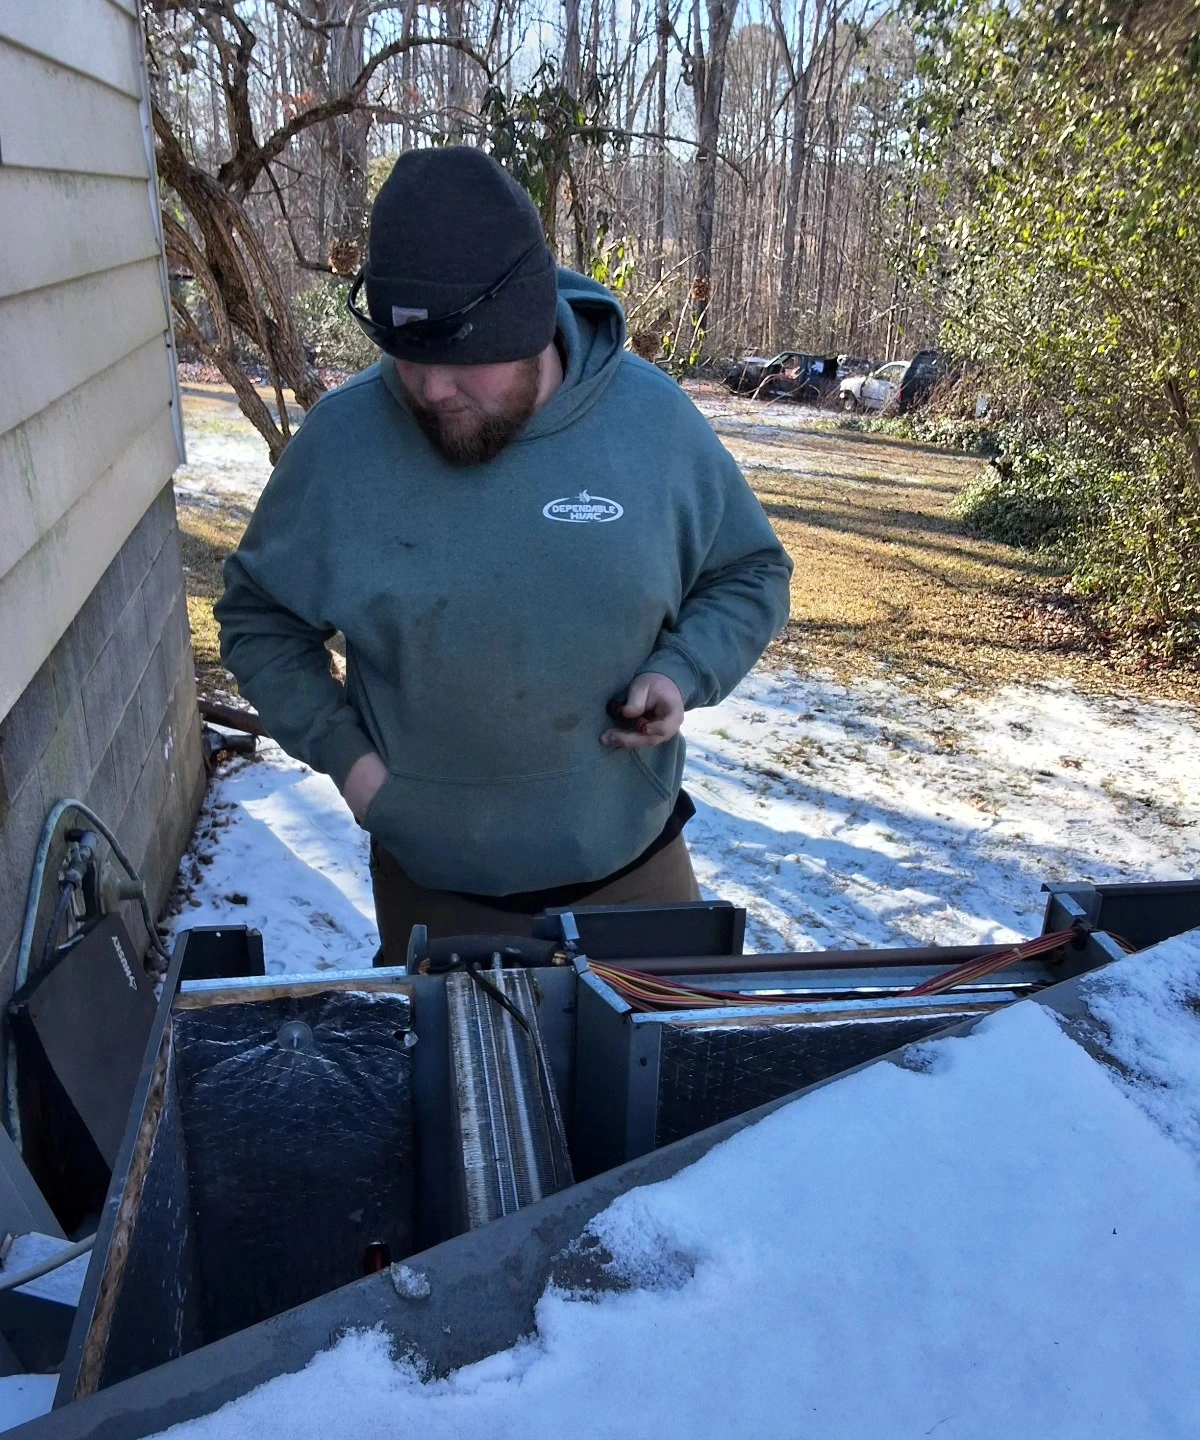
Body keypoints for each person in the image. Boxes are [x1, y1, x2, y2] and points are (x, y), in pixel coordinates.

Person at [215, 146, 793, 964]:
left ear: (526, 321)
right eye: (407, 355)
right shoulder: (342, 447)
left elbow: (750, 572)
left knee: (674, 1048)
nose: (430, 389)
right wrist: (355, 769)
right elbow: (259, 619)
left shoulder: (652, 425)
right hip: (436, 892)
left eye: (458, 360)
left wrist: (681, 672)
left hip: (635, 872)